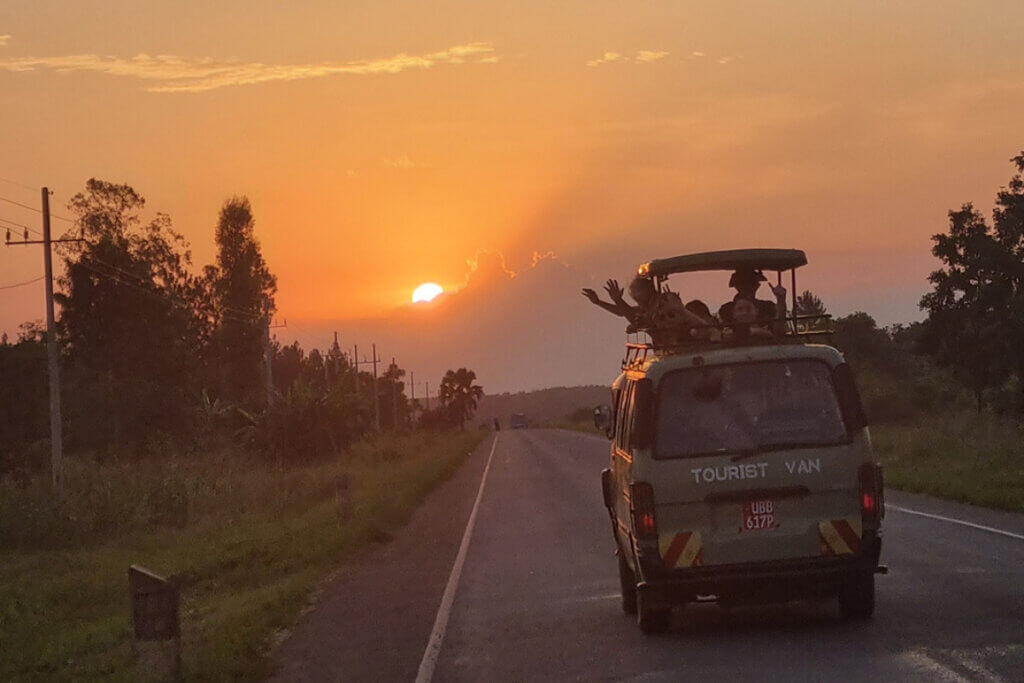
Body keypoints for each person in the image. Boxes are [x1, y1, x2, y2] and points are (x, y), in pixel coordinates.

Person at [582, 277, 712, 346]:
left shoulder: (663, 303)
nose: (638, 302)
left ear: (644, 293)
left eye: (637, 298)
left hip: (681, 343)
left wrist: (618, 300)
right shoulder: (648, 306)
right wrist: (598, 302)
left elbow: (636, 318)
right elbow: (625, 312)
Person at [718, 268, 783, 323]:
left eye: (752, 283)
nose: (744, 312)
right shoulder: (726, 310)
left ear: (757, 286)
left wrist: (781, 299)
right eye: (742, 283)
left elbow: (780, 327)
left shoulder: (767, 307)